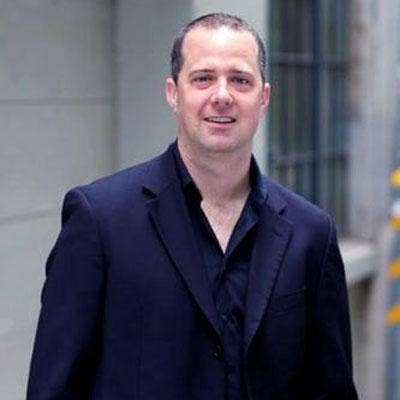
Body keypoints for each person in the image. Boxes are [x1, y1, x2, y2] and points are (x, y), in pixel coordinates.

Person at [27, 13, 358, 400]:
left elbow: (332, 391)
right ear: (173, 93)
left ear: (264, 98)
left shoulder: (312, 234)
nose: (222, 95)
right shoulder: (100, 220)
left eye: (240, 80)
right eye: (203, 78)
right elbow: (54, 388)